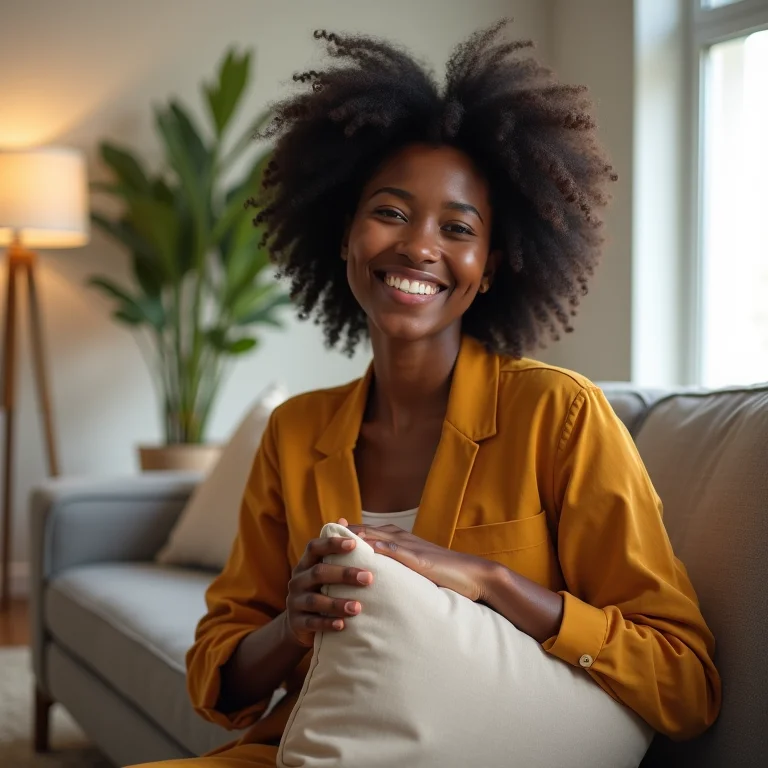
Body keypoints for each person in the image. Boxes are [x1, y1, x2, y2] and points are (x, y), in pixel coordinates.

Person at [131, 20, 721, 767]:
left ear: (491, 266)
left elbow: (685, 681)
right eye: (390, 212)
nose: (418, 246)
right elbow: (216, 683)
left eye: (457, 227)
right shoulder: (294, 433)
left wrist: (491, 581)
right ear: (345, 234)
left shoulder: (559, 415)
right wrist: (295, 622)